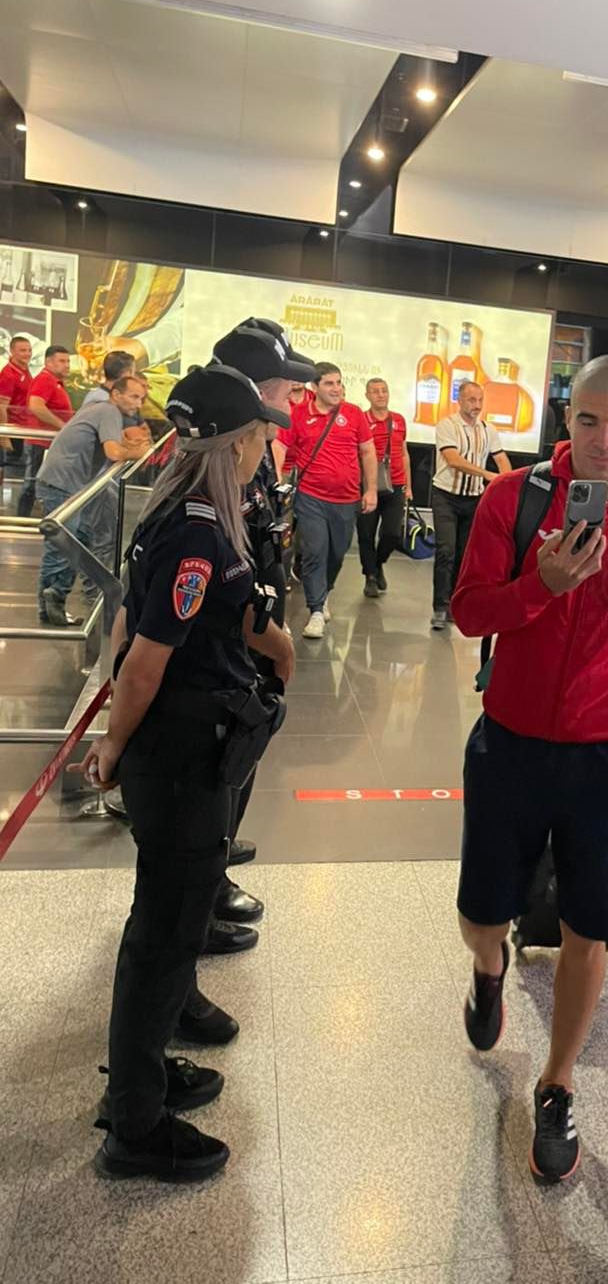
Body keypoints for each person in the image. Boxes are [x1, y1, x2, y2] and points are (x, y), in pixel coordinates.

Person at [451, 355, 608, 1184]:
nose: (605, 440)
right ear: (568, 419)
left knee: (591, 927)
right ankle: (489, 968)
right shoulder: (513, 499)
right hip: (511, 742)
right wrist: (541, 585)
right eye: (589, 420)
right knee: (482, 913)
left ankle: (557, 1083)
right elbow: (468, 612)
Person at [72, 362, 295, 1182]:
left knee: (163, 923)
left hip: (178, 751)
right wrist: (111, 744)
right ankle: (135, 1122)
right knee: (165, 935)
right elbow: (143, 662)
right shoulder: (200, 531)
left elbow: (132, 619)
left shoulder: (173, 507)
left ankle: (143, 1074)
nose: (265, 448)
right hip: (178, 756)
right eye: (259, 435)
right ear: (233, 446)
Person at [194, 317, 316, 968]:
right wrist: (276, 646)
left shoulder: (260, 443)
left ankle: (215, 859)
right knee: (216, 769)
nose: (293, 396)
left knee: (240, 760)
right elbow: (223, 567)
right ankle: (201, 895)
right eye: (285, 385)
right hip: (233, 640)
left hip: (256, 629)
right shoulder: (222, 451)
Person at [36, 374, 151, 627]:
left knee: (76, 539)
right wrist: (141, 451)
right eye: (133, 396)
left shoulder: (101, 409)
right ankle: (53, 602)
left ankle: (52, 603)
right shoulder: (109, 411)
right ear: (116, 394)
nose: (138, 403)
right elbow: (114, 452)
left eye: (141, 398)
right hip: (61, 483)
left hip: (66, 483)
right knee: (63, 544)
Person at [275, 361, 377, 640]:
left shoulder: (354, 413)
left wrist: (371, 490)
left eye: (339, 382)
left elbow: (368, 452)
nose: (337, 388)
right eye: (330, 383)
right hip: (311, 497)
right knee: (315, 551)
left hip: (347, 499)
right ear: (315, 386)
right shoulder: (298, 415)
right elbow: (279, 446)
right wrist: (277, 481)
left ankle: (324, 592)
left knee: (337, 554)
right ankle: (316, 610)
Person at [430, 380, 510, 631]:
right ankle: (440, 607)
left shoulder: (488, 429)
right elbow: (453, 459)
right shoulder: (447, 425)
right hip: (445, 496)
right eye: (471, 400)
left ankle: (455, 604)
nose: (476, 405)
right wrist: (487, 475)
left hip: (474, 499)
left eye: (480, 400)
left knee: (465, 554)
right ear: (460, 401)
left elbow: (501, 458)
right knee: (446, 550)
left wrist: (507, 482)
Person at [357, 376, 412, 598]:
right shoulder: (361, 420)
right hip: (368, 485)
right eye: (375, 391)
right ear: (367, 395)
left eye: (384, 390)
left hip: (396, 484)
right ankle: (370, 576)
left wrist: (408, 485)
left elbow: (404, 453)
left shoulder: (399, 420)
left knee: (392, 533)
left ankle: (378, 563)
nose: (381, 395)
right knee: (366, 534)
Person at [17, 344, 73, 515]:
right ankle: (23, 520)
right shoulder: (45, 379)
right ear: (48, 362)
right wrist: (62, 426)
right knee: (32, 484)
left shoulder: (54, 381)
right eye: (62, 361)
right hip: (39, 442)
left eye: (68, 361)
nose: (67, 365)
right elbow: (35, 406)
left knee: (37, 483)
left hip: (47, 443)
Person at [0, 332, 34, 465]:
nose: (27, 354)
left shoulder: (24, 369)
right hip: (13, 432)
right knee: (13, 471)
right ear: (12, 352)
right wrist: (4, 437)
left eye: (29, 350)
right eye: (23, 350)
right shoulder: (8, 375)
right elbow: (1, 406)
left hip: (23, 430)